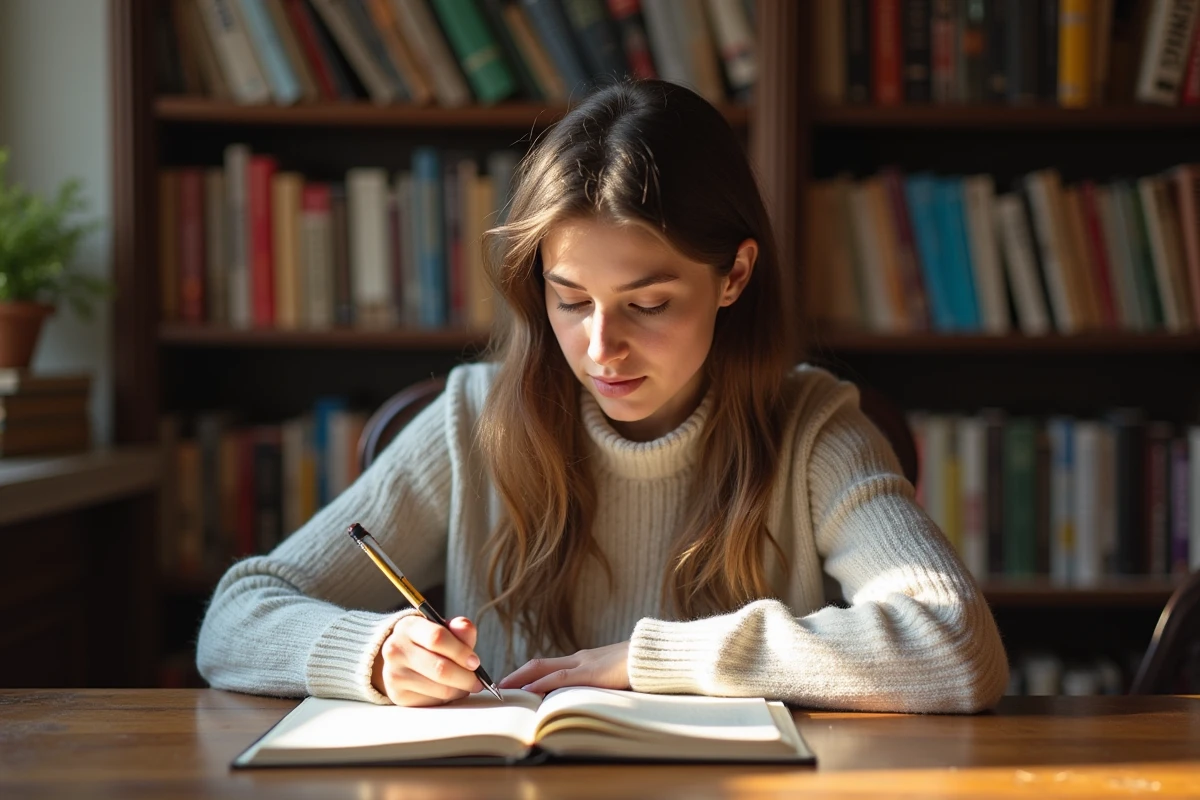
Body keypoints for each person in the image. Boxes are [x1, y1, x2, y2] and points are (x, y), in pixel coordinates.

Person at [197, 80, 1009, 713]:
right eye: (569, 298)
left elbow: (954, 645)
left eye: (648, 304)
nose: (599, 348)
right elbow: (238, 613)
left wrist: (649, 662)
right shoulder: (474, 421)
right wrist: (374, 654)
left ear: (734, 275)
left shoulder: (811, 429)